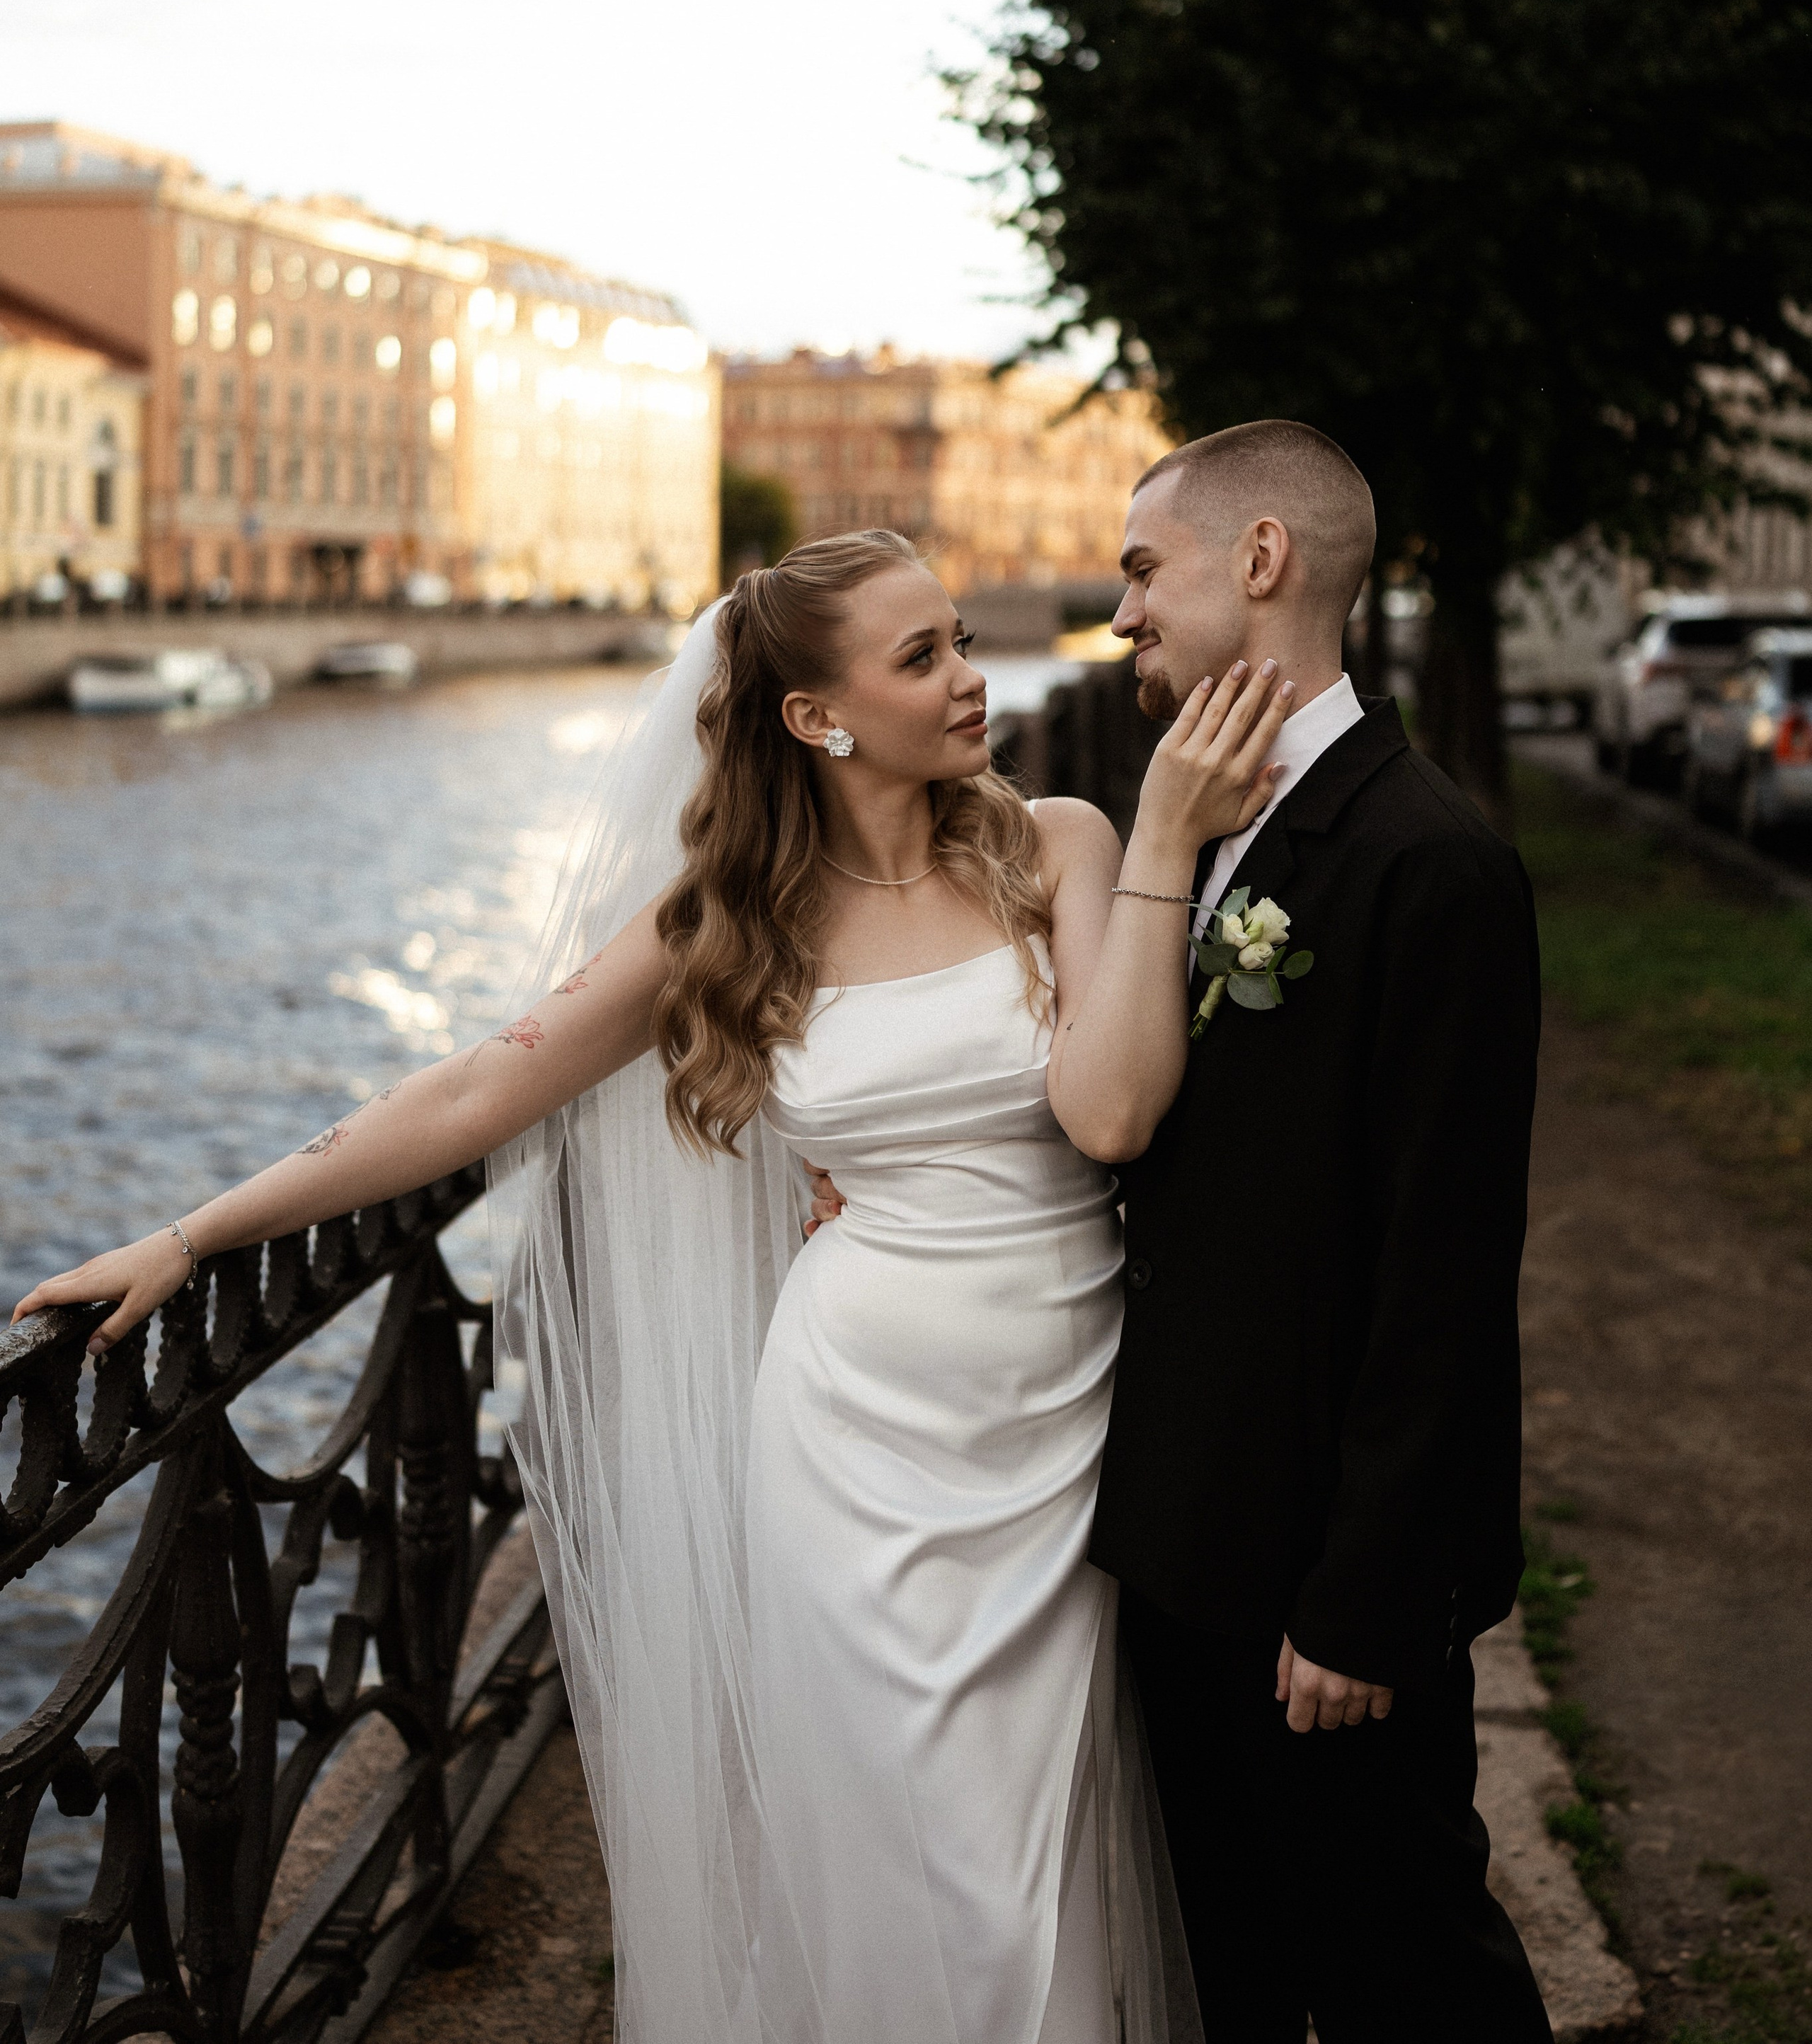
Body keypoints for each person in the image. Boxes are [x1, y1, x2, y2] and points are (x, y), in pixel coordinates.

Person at [14, 527, 1292, 2044]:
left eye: (958, 639)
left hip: (1061, 1425)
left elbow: (1109, 1112)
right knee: (904, 1847)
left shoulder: (1064, 844)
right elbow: (474, 1093)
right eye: (923, 656)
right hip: (856, 1444)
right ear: (816, 717)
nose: (970, 679)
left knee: (1037, 1848)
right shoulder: (732, 916)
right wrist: (190, 1235)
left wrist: (1158, 846)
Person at [811, 423, 1553, 2043]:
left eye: (1144, 570)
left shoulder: (1430, 862)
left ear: (1262, 560)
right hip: (1177, 1538)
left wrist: (1362, 1601)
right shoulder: (1198, 831)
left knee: (1409, 1969)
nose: (1122, 612)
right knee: (1236, 1971)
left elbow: (1438, 1277)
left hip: (1322, 1580)